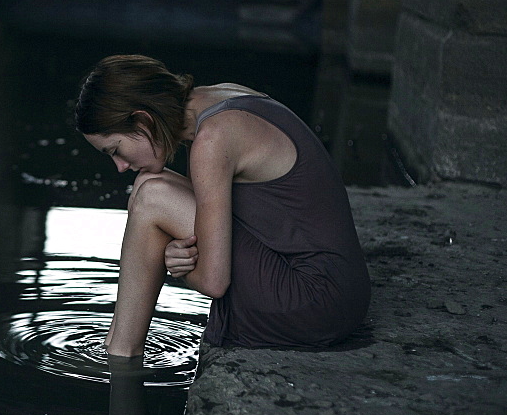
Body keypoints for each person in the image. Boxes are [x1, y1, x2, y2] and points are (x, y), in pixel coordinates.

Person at [75, 54, 370, 357]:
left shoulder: (212, 139)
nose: (120, 166)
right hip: (343, 289)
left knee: (153, 197)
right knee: (147, 188)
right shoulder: (222, 98)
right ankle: (120, 346)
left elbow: (213, 282)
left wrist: (173, 262)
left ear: (143, 120)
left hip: (314, 301)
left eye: (116, 150)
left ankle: (122, 354)